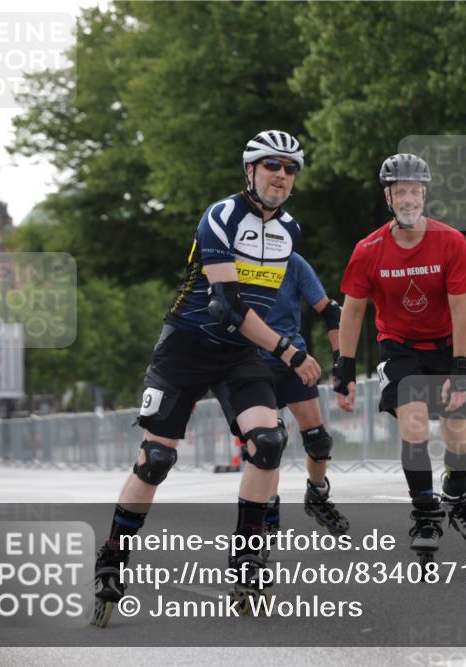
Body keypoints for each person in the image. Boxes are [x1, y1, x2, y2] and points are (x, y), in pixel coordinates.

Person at [92, 129, 321, 626]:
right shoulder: (220, 217)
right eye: (271, 165)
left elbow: (267, 303)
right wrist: (286, 349)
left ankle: (248, 560)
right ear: (250, 170)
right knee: (156, 458)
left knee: (267, 441)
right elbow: (229, 303)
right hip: (186, 347)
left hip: (240, 354)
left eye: (290, 168)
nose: (281, 175)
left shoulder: (290, 231)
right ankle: (112, 558)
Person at [332, 153, 466, 567]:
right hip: (400, 348)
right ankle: (425, 513)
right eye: (399, 191)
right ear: (388, 197)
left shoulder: (452, 242)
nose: (407, 198)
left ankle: (456, 490)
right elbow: (352, 312)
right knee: (415, 423)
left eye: (414, 191)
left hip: (445, 346)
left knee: (459, 440)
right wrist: (344, 366)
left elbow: (462, 310)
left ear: (425, 195)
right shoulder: (368, 250)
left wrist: (460, 367)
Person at [213, 251, 350, 539]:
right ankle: (267, 509)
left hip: (293, 362)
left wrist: (341, 363)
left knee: (319, 440)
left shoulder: (293, 262)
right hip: (251, 363)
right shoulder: (229, 262)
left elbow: (330, 311)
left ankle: (318, 495)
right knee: (268, 442)